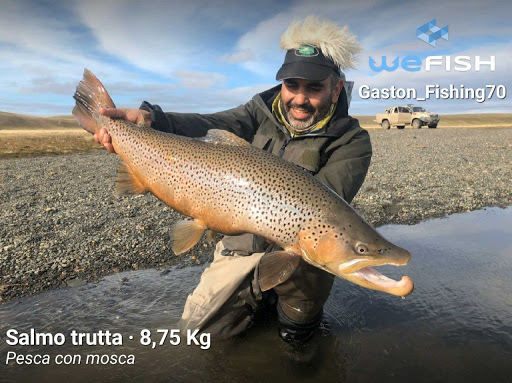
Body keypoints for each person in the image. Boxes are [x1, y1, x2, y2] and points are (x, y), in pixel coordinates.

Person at [94, 16, 372, 344]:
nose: (299, 98)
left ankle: (296, 323)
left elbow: (324, 214)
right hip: (240, 248)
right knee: (199, 337)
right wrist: (155, 119)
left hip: (300, 254)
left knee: (299, 330)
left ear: (336, 87)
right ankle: (255, 299)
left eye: (313, 88)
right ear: (282, 84)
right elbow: (211, 122)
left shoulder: (351, 141)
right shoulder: (259, 111)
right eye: (292, 86)